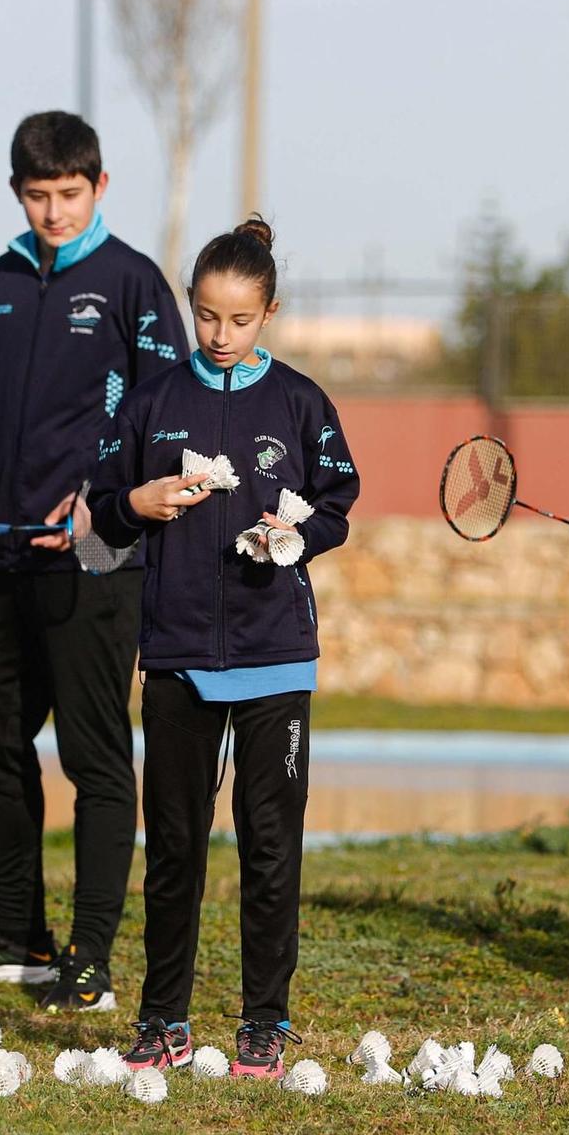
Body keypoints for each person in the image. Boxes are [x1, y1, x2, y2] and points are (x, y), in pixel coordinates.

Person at [81, 217, 360, 1079]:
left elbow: (339, 503)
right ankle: (164, 1018)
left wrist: (295, 535)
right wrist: (145, 499)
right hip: (175, 656)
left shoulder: (302, 402)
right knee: (174, 844)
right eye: (205, 316)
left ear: (270, 312)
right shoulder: (155, 398)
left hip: (277, 655)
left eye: (238, 320)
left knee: (270, 844)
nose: (219, 335)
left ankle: (265, 1021)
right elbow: (104, 502)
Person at [0, 110, 186, 1013]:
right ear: (16, 192)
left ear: (100, 187)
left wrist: (98, 496)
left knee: (95, 753)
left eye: (69, 194)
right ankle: (18, 932)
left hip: (97, 559)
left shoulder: (136, 285)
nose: (53, 212)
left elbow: (168, 418)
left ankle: (91, 953)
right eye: (37, 196)